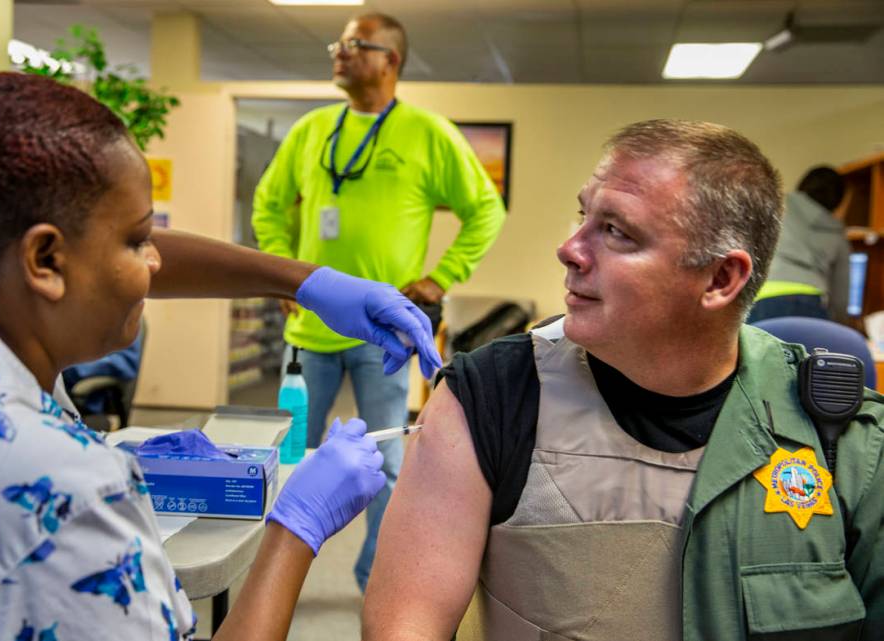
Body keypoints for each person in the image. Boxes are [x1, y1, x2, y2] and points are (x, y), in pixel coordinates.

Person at [0, 71, 441, 641]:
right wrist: (295, 530)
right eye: (138, 241)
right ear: (44, 259)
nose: (155, 265)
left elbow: (104, 247)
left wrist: (306, 282)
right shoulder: (67, 492)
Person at [363, 120, 884, 640]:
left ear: (721, 279)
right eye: (584, 214)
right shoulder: (491, 396)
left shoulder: (843, 436)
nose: (569, 249)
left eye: (616, 231)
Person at [252, 12, 506, 591]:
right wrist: (284, 272)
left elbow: (485, 210)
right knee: (285, 462)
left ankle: (377, 580)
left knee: (389, 466)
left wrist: (443, 277)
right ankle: (269, 576)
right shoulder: (313, 128)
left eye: (354, 44)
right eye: (337, 43)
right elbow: (268, 203)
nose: (338, 52)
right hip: (308, 336)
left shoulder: (428, 132)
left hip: (382, 337)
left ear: (390, 60)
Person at [749, 165, 851, 323]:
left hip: (764, 297)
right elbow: (841, 298)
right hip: (812, 302)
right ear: (838, 200)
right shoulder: (838, 234)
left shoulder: (776, 208)